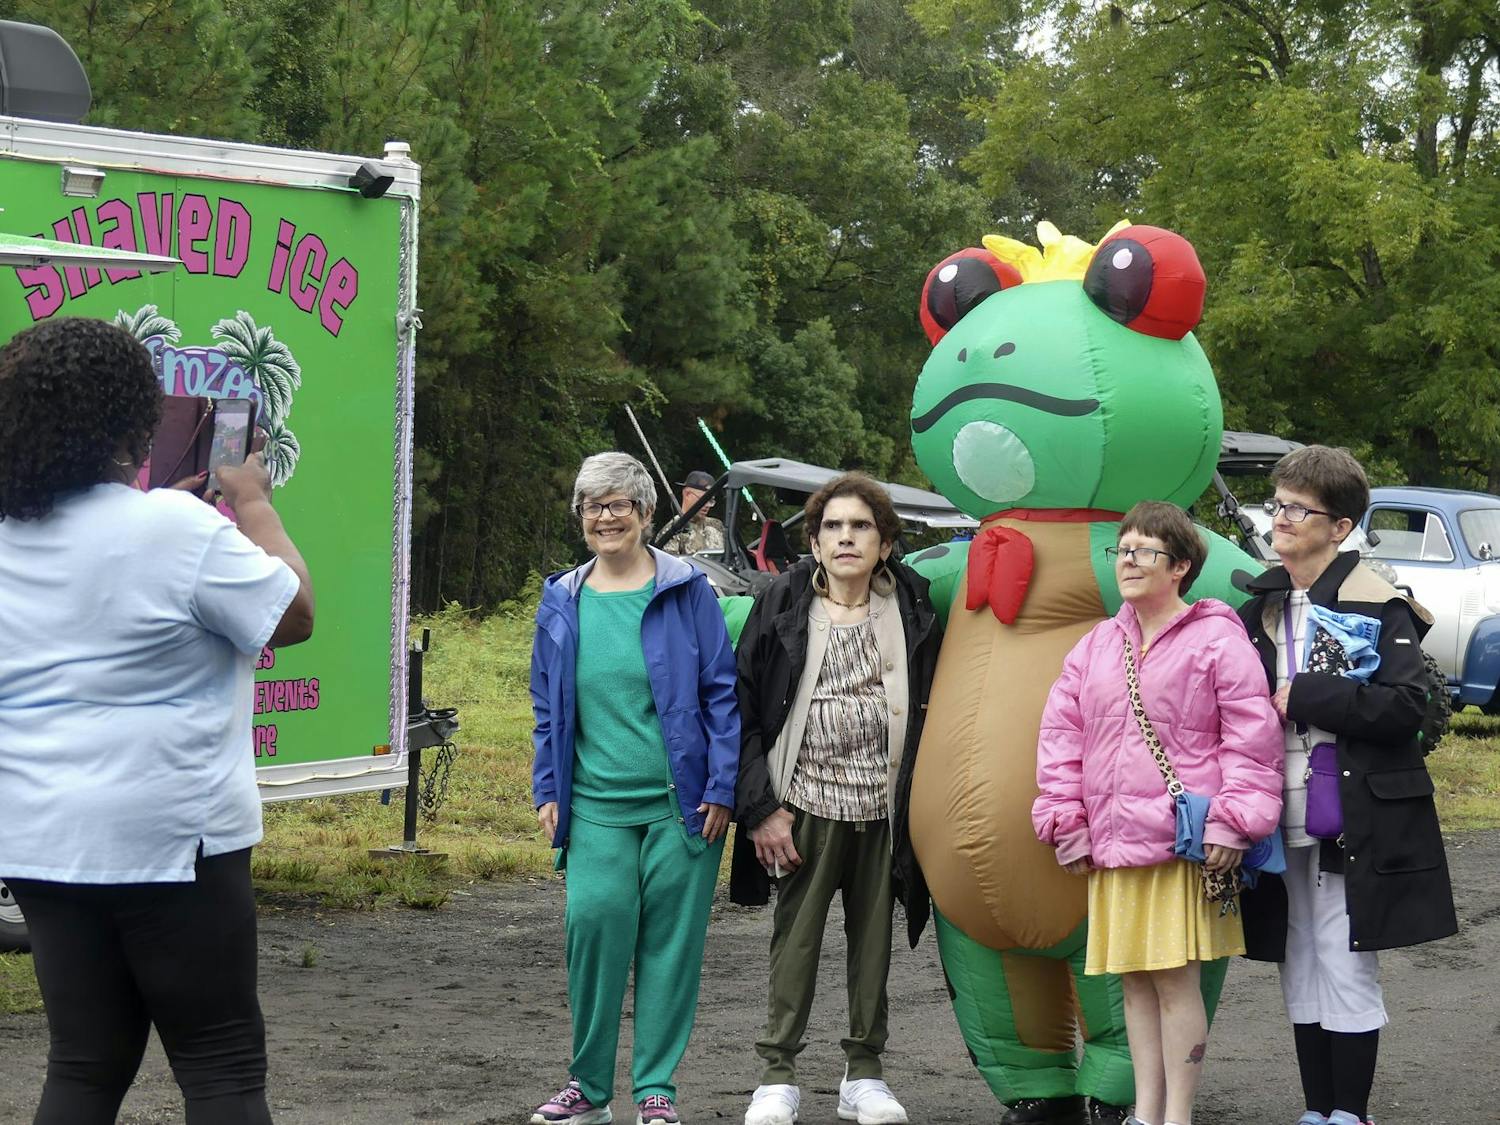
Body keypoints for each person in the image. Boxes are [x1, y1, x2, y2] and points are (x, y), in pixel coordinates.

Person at [0, 318, 315, 1125]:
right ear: (136, 420)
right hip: (174, 838)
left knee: (83, 1062)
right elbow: (294, 613)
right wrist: (254, 509)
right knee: (220, 1062)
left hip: (41, 839)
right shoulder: (180, 530)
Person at [1034, 501, 1283, 1125]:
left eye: (1143, 551)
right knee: (1135, 982)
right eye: (1122, 550)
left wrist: (1233, 822)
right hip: (1114, 844)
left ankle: (1180, 1117)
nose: (1127, 562)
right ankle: (1146, 1112)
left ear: (1180, 566)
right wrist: (1067, 821)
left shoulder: (1218, 638)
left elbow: (1252, 741)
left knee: (1175, 982)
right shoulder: (1096, 644)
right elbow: (1060, 739)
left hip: (1180, 844)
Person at [1236, 447, 1457, 1125]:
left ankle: (1350, 1112)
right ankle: (1317, 1109)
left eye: (1298, 508)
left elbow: (1405, 708)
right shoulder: (1263, 603)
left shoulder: (1377, 600)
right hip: (1278, 809)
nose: (1281, 518)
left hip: (1351, 811)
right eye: (1278, 504)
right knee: (1296, 955)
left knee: (1342, 953)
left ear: (1339, 526)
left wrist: (1304, 693)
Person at [530, 451, 739, 1125]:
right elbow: (545, 703)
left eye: (620, 503)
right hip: (593, 804)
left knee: (669, 947)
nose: (606, 516)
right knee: (593, 927)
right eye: (593, 504)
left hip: (682, 806)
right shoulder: (561, 598)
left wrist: (724, 783)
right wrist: (546, 786)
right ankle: (589, 1089)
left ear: (647, 513)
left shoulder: (686, 591)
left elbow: (721, 693)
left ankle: (656, 1090)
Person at [732, 473, 941, 1125]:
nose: (845, 536)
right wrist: (761, 806)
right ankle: (776, 1076)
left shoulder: (914, 604)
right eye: (832, 526)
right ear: (815, 542)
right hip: (801, 805)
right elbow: (741, 706)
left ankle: (866, 1073)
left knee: (873, 944)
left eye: (861, 526)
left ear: (885, 543)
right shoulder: (783, 599)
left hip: (884, 810)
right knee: (794, 941)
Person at [664, 469, 726, 556]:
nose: (707, 505)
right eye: (703, 499)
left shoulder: (716, 525)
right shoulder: (673, 530)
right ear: (687, 494)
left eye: (711, 500)